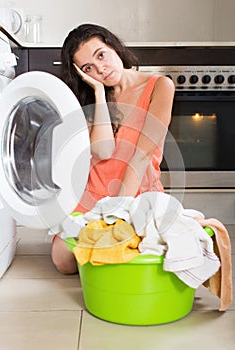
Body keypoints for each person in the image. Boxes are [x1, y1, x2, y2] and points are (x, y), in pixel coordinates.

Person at [51, 23, 175, 274]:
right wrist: (98, 93)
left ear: (113, 46)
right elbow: (104, 151)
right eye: (89, 68)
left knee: (128, 251)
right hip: (93, 195)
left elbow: (142, 155)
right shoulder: (87, 97)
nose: (101, 69)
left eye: (101, 55)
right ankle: (100, 252)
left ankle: (103, 252)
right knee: (63, 261)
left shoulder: (160, 86)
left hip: (136, 193)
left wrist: (118, 212)